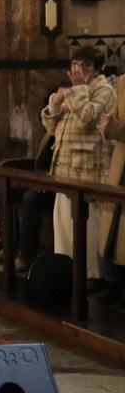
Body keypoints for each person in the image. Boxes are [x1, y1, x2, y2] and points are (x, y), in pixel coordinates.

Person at [42, 46, 116, 287]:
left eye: (80, 65)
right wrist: (54, 104)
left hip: (88, 168)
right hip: (65, 166)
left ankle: (91, 276)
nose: (74, 70)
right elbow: (53, 127)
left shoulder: (104, 91)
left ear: (93, 68)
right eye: (73, 64)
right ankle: (67, 272)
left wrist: (78, 91)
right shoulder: (75, 91)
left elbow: (88, 118)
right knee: (64, 226)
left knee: (87, 226)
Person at [96, 78, 125, 304]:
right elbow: (114, 116)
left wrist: (115, 128)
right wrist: (107, 126)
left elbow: (117, 125)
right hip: (121, 164)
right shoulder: (124, 82)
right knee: (112, 230)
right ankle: (113, 284)